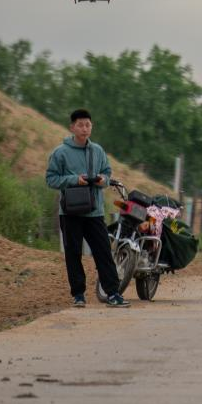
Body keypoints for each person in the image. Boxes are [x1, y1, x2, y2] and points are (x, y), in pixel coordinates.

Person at [46, 108, 130, 308]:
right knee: (73, 253)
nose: (84, 128)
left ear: (91, 127)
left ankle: (113, 293)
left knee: (103, 252)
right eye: (80, 125)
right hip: (70, 212)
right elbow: (51, 179)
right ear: (72, 127)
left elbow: (107, 173)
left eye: (88, 125)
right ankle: (78, 295)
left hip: (94, 212)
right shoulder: (60, 152)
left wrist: (103, 180)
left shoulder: (98, 151)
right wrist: (75, 180)